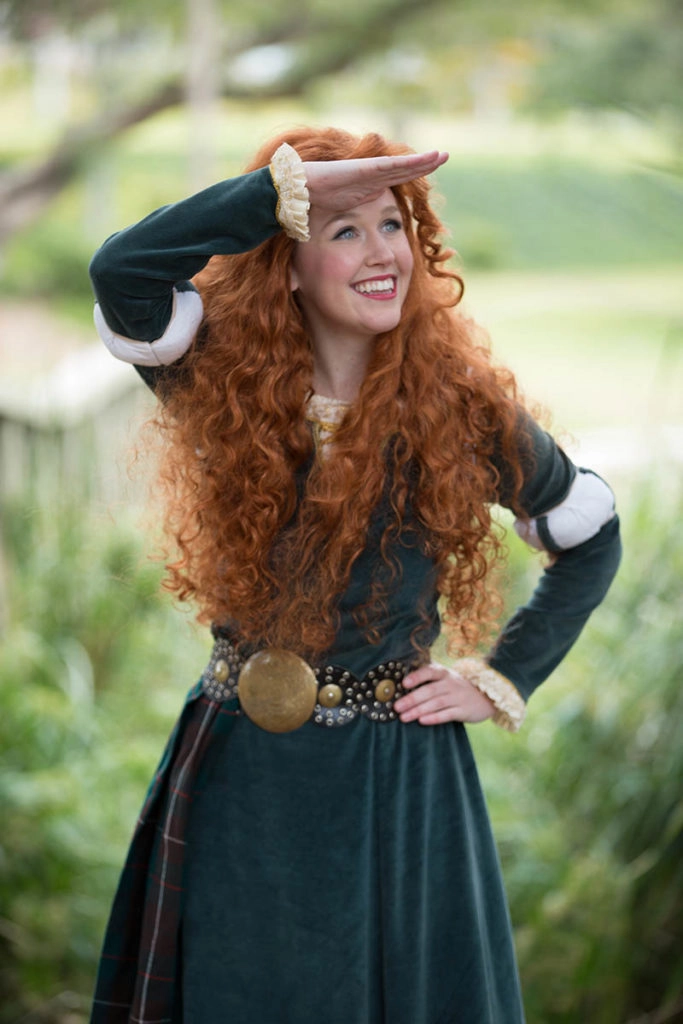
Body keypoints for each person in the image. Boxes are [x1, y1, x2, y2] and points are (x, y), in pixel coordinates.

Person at [88, 126, 621, 1024]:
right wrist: (278, 192)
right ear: (287, 263)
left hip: (396, 777)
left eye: (391, 225)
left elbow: (590, 536)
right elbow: (123, 270)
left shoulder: (461, 410)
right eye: (343, 230)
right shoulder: (218, 380)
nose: (381, 254)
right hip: (240, 768)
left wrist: (500, 676)